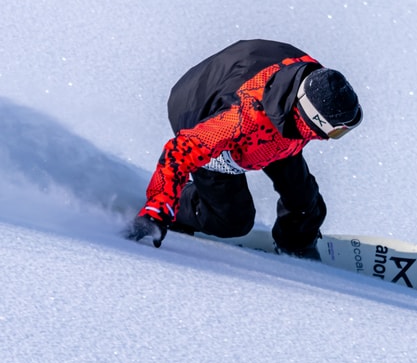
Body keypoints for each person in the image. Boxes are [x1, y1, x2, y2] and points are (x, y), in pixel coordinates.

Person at [126, 39, 363, 257]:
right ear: (312, 118)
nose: (333, 138)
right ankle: (181, 205)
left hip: (279, 127)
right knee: (232, 221)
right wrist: (158, 207)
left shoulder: (314, 81)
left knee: (304, 201)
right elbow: (179, 151)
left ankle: (295, 244)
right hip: (201, 116)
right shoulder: (240, 121)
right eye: (337, 131)